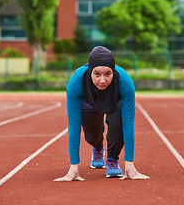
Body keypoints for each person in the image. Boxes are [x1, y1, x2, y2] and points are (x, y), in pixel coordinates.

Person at [54, 46, 149, 181]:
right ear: (89, 71)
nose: (102, 80)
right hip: (88, 103)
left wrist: (130, 163)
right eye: (97, 74)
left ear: (113, 71)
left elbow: (128, 123)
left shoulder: (125, 82)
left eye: (107, 74)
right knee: (92, 135)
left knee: (118, 121)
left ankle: (112, 160)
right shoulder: (76, 82)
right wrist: (73, 167)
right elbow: (74, 125)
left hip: (114, 102)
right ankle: (98, 147)